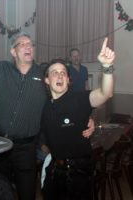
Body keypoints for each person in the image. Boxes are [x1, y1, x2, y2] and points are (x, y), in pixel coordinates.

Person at [0, 5, 95, 200]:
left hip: (26, 148)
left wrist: (87, 118)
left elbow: (67, 99)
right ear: (13, 52)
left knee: (27, 194)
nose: (29, 47)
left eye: (31, 44)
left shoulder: (44, 75)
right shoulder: (1, 71)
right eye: (23, 44)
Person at [41, 38, 114, 200]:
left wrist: (107, 66)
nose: (59, 76)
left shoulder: (79, 99)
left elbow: (105, 93)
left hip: (79, 174)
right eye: (54, 73)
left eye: (63, 73)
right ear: (47, 80)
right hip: (54, 171)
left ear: (68, 79)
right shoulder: (43, 107)